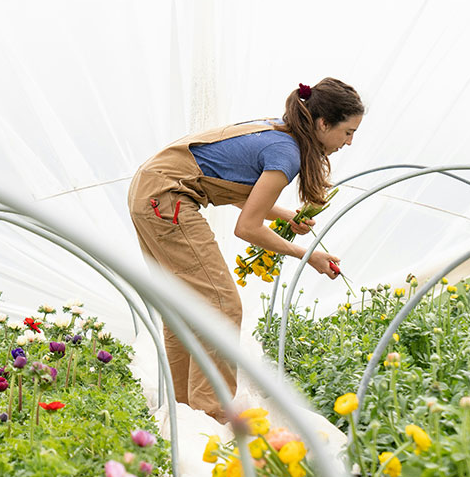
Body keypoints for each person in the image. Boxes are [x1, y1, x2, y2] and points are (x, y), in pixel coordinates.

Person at [127, 78, 363, 423]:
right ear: (323, 124)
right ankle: (212, 412)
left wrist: (284, 214)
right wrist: (308, 256)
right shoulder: (287, 152)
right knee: (223, 305)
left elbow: (233, 187)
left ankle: (182, 413)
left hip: (151, 191)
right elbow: (248, 228)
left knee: (183, 306)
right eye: (347, 132)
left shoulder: (278, 131)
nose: (350, 142)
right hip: (167, 198)